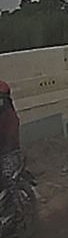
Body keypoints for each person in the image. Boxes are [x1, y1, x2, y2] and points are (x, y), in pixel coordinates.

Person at [0, 80, 22, 227]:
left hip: (8, 148)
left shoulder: (6, 112)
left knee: (8, 177)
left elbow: (10, 131)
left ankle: (13, 212)